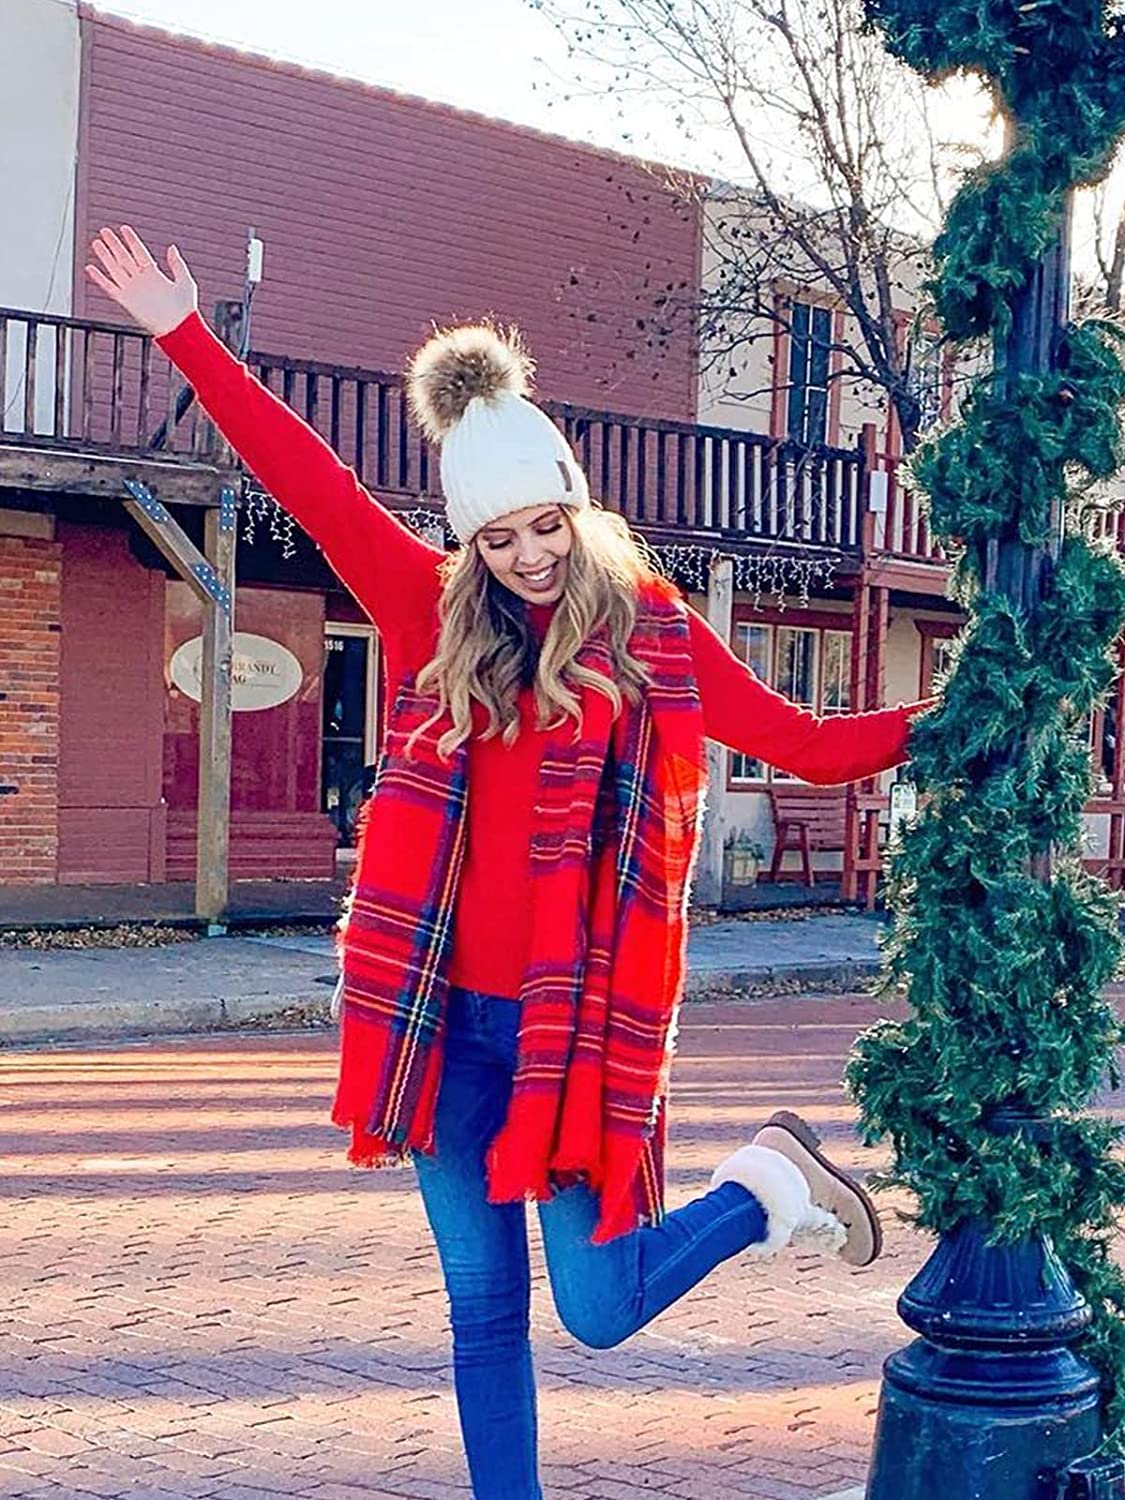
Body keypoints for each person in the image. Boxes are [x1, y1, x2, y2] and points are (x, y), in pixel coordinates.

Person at [87, 225, 930, 1500]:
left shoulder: (654, 638)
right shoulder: (430, 616)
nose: (529, 556)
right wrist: (184, 334)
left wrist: (972, 714)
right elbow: (314, 484)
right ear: (469, 542)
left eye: (546, 525)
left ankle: (764, 1182)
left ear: (576, 509)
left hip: (573, 1029)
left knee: (599, 1308)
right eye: (499, 538)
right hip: (441, 1030)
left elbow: (809, 746)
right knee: (483, 1315)